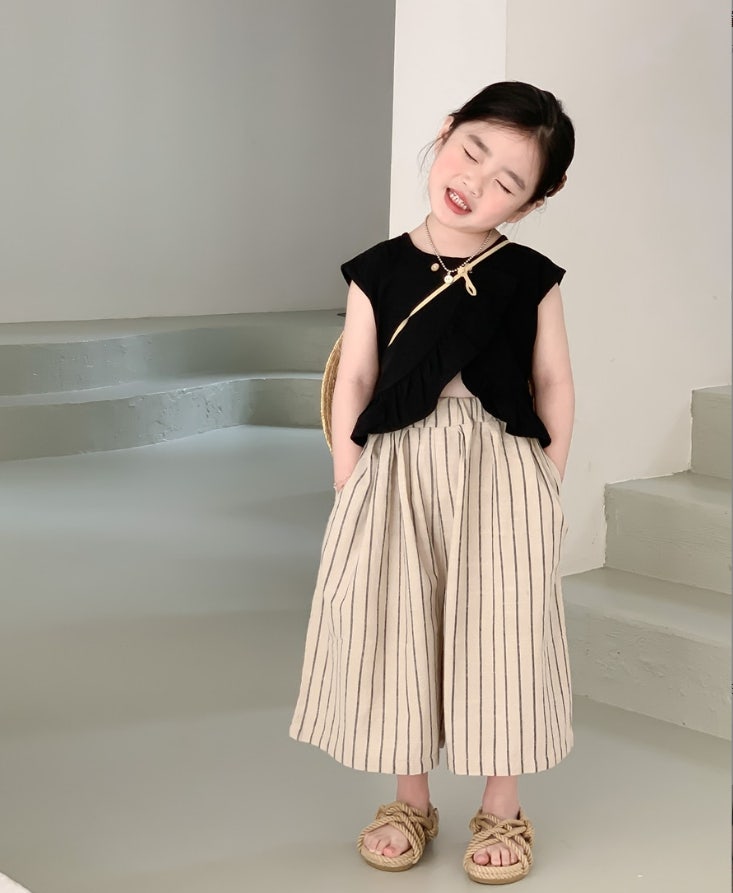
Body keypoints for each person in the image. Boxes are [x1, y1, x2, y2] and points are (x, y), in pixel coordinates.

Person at [289, 80, 575, 885]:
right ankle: (408, 799)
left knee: (503, 630)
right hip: (395, 463)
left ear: (532, 202)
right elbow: (355, 377)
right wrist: (349, 479)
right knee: (397, 623)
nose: (473, 182)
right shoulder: (377, 269)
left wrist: (546, 481)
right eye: (470, 151)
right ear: (446, 131)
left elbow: (553, 380)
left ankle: (502, 806)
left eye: (506, 182)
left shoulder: (530, 275)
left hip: (500, 464)